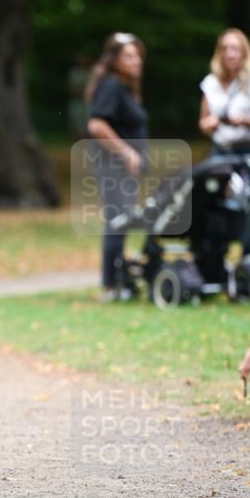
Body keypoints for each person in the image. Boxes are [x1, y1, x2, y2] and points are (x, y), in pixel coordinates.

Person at [85, 32, 148, 302]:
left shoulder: (124, 87)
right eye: (129, 56)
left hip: (124, 170)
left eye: (138, 57)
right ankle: (111, 286)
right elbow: (96, 124)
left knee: (121, 221)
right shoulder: (111, 86)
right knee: (117, 221)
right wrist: (126, 153)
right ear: (115, 60)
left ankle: (121, 283)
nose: (136, 62)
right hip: (112, 166)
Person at [198, 28, 250, 255]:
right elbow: (203, 120)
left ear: (244, 52)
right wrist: (209, 124)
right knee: (214, 202)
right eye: (225, 48)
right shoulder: (211, 82)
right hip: (221, 152)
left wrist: (242, 122)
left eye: (235, 48)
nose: (230, 53)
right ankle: (214, 259)